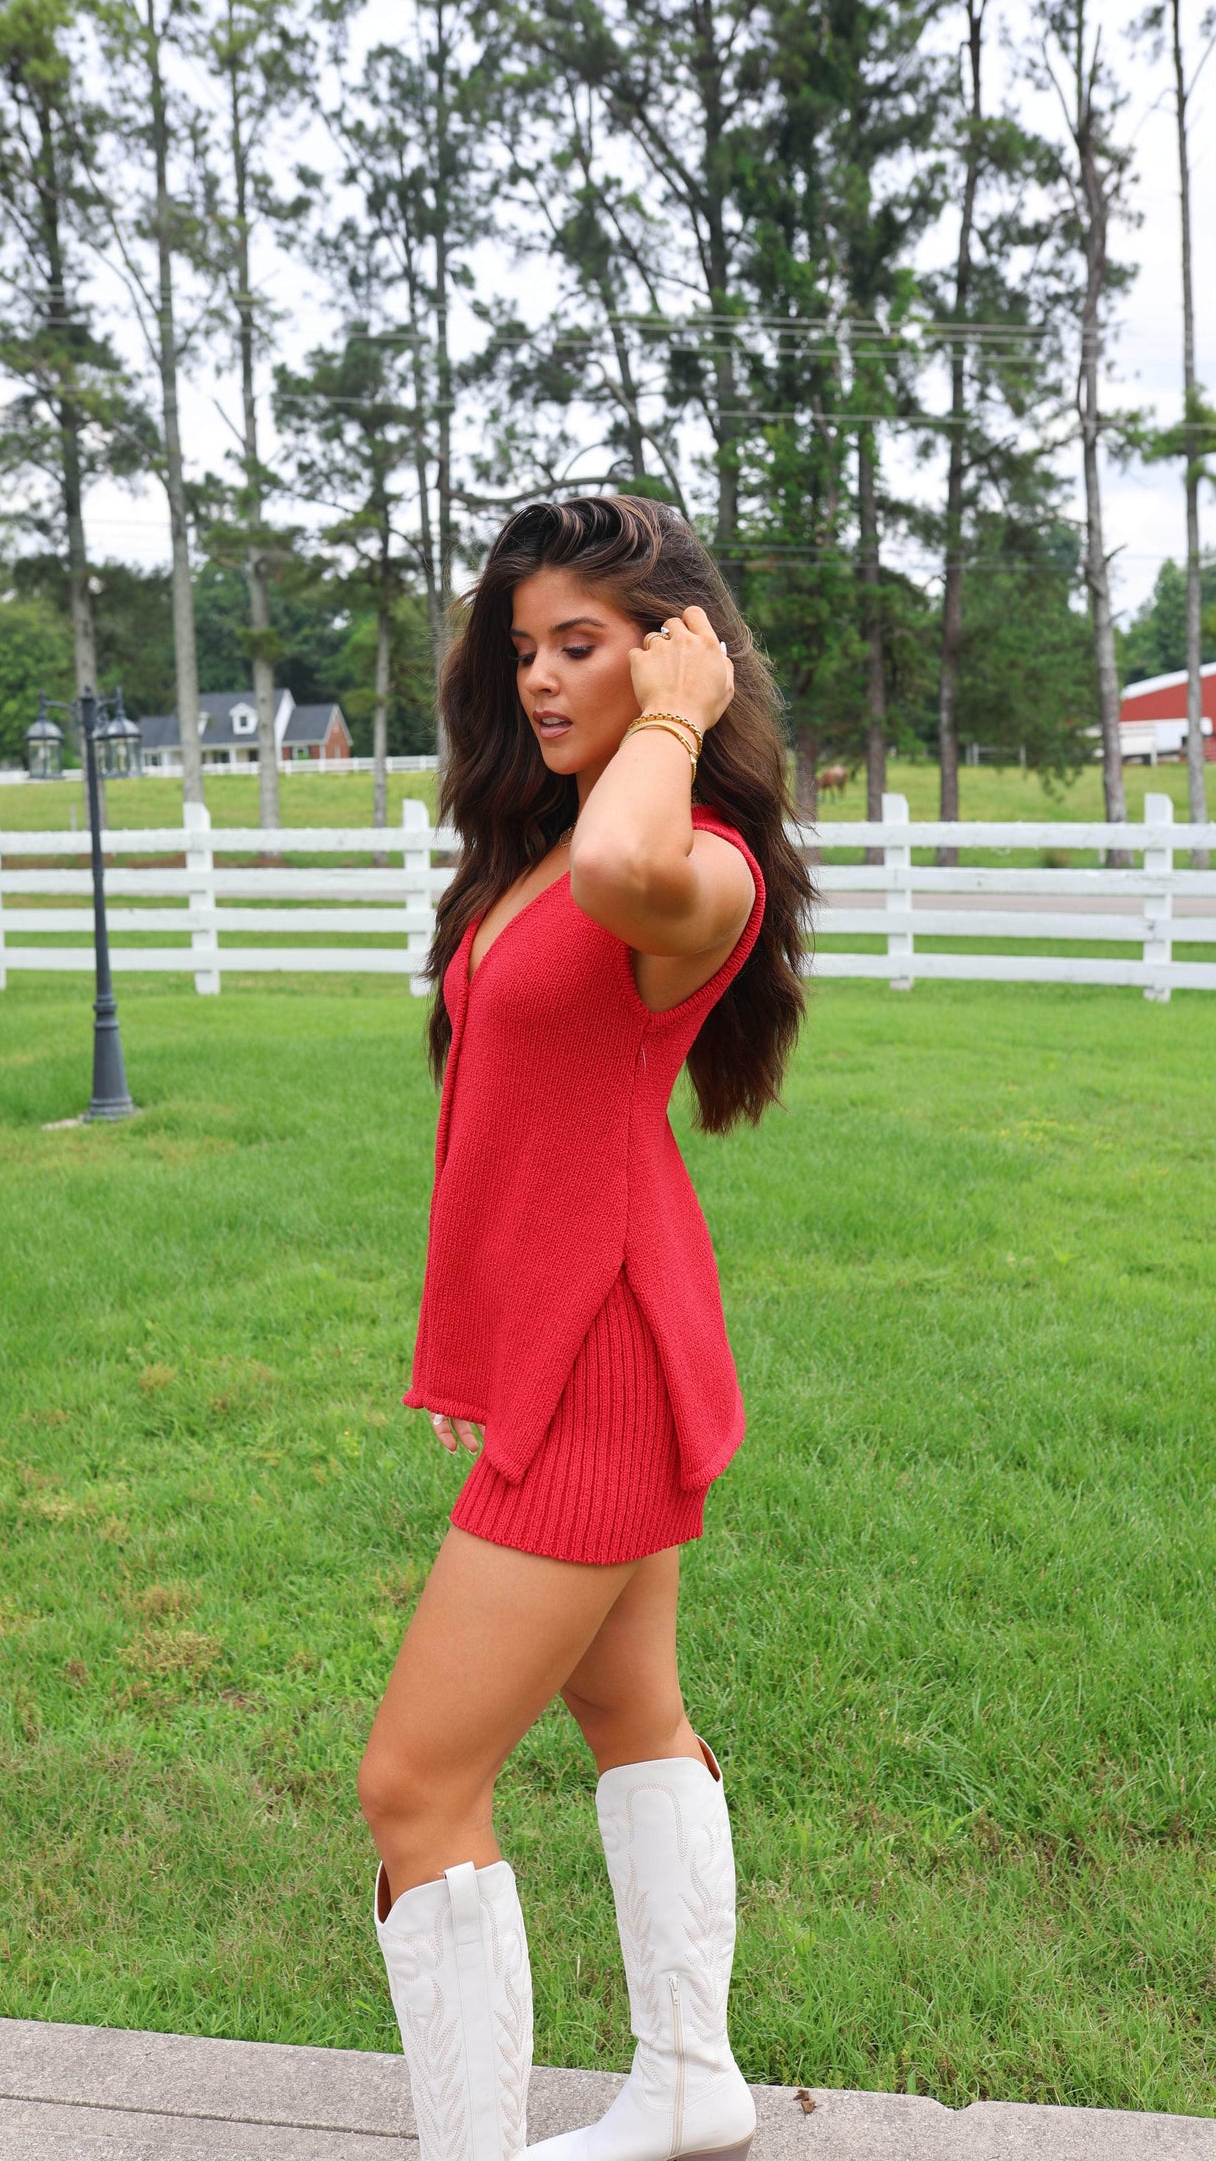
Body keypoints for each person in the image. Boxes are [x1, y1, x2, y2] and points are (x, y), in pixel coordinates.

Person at [357, 495, 813, 2161]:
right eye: (525, 647)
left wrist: (684, 712)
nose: (541, 680)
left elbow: (635, 856)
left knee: (415, 1788)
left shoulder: (693, 872)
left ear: (674, 650)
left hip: (606, 1366)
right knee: (630, 1716)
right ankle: (691, 2087)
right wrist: (477, 1347)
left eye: (586, 647)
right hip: (570, 1340)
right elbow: (517, 1131)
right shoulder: (542, 846)